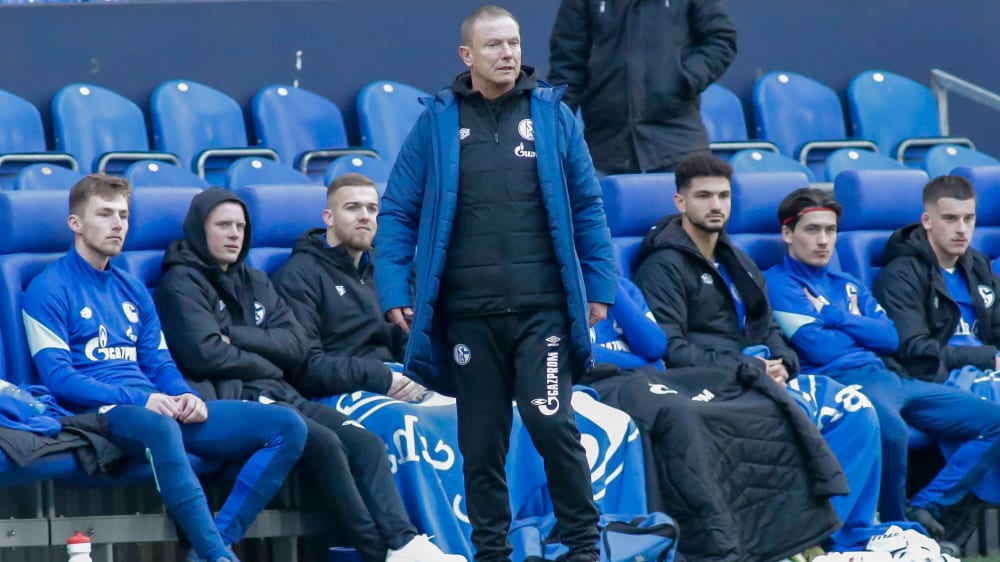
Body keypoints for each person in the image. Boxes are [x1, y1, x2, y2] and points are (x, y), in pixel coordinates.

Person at [374, 5, 617, 560]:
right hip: (468, 315)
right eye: (495, 46)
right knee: (480, 446)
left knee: (550, 421)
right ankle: (491, 552)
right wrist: (394, 290)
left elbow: (587, 206)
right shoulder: (436, 122)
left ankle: (583, 545)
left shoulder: (554, 116)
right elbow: (398, 214)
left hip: (544, 312)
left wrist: (599, 284)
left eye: (513, 44)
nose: (508, 54)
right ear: (467, 56)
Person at [153, 187, 464, 562]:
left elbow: (296, 346)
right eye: (223, 225)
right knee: (325, 443)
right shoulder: (179, 283)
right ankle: (380, 552)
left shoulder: (255, 280)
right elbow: (203, 354)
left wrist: (236, 338)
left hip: (280, 390)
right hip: (234, 396)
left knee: (364, 442)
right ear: (200, 229)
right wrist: (268, 357)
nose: (234, 234)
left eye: (240, 225)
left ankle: (404, 542)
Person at [20, 174, 308, 562]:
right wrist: (145, 398)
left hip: (156, 407)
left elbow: (159, 362)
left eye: (123, 215)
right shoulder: (48, 288)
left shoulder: (132, 288)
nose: (117, 224)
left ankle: (213, 545)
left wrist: (184, 394)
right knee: (159, 427)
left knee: (287, 426)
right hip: (99, 416)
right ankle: (218, 557)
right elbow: (59, 380)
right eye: (104, 214)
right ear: (75, 223)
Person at [631, 154, 891, 554]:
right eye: (703, 196)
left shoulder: (738, 261)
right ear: (680, 202)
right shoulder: (662, 264)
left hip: (758, 375)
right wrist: (749, 367)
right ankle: (796, 541)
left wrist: (784, 363)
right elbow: (671, 350)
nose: (716, 205)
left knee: (857, 409)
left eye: (723, 195)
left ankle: (842, 538)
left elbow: (767, 327)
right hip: (714, 385)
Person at [872, 176, 1000, 536]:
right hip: (935, 378)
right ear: (927, 220)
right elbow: (914, 349)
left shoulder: (976, 265)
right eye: (950, 219)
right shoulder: (901, 274)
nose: (961, 229)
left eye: (969, 219)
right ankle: (929, 507)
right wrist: (988, 358)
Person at [272, 173, 425, 402]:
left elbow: (406, 340)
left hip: (395, 382)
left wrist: (419, 374)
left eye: (372, 209)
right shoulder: (298, 275)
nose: (365, 217)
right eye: (352, 208)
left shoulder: (385, 270)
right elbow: (306, 366)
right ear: (329, 217)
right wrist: (379, 376)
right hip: (340, 392)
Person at [548, 0, 736, 174]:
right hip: (605, 147)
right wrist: (553, 127)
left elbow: (720, 39)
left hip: (679, 140)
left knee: (694, 206)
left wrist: (684, 79)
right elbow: (567, 65)